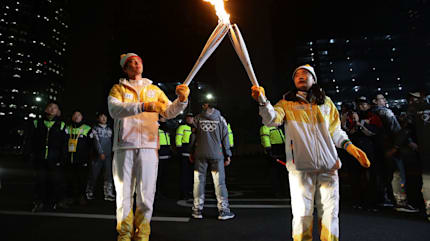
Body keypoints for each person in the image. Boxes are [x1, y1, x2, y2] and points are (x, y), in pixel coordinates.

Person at [252, 64, 370, 241]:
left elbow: (335, 131)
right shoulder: (286, 103)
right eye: (297, 74)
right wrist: (263, 101)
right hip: (301, 168)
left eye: (306, 74)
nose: (301, 76)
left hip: (328, 166)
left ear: (313, 79)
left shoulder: (326, 103)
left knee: (330, 213)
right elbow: (271, 120)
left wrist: (349, 146)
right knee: (301, 213)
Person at [108, 53, 189, 241]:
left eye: (138, 61)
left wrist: (182, 101)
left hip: (148, 145)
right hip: (124, 146)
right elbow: (114, 110)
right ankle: (124, 233)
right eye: (131, 63)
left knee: (146, 193)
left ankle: (142, 233)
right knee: (124, 193)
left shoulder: (154, 90)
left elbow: (169, 111)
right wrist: (142, 106)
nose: (136, 64)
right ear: (125, 69)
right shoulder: (118, 88)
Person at [372, 93, 419, 212]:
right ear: (375, 101)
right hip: (392, 147)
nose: (383, 100)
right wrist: (404, 143)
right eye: (380, 99)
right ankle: (401, 202)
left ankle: (390, 199)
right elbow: (396, 129)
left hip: (382, 148)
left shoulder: (373, 113)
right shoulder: (386, 112)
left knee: (388, 175)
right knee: (398, 174)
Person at [190, 101, 235, 220]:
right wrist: (227, 154)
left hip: (200, 154)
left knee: (199, 182)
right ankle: (223, 211)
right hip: (217, 155)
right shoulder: (221, 119)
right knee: (219, 183)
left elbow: (192, 137)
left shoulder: (197, 118)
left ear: (206, 106)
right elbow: (226, 138)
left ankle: (197, 210)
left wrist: (191, 152)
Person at [25, 102, 67, 212]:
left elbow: (64, 144)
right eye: (50, 107)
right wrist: (29, 155)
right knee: (40, 181)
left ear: (58, 111)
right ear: (46, 110)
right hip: (39, 158)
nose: (52, 109)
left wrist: (62, 158)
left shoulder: (61, 124)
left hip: (55, 159)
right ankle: (38, 202)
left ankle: (54, 202)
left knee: (54, 181)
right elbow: (30, 140)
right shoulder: (36, 123)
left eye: (55, 108)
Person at [64, 110, 92, 206]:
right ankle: (70, 197)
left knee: (82, 179)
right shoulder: (67, 128)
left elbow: (91, 145)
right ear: (72, 117)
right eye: (74, 115)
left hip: (82, 160)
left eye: (79, 115)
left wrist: (88, 158)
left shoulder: (87, 129)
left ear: (82, 117)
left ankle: (81, 197)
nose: (76, 117)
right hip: (69, 159)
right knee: (70, 179)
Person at [86, 111, 115, 201]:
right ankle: (89, 192)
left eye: (105, 117)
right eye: (101, 117)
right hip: (97, 156)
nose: (103, 118)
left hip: (108, 156)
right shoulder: (94, 129)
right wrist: (100, 152)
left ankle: (108, 193)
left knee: (108, 175)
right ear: (98, 118)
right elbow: (96, 141)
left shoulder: (110, 129)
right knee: (94, 175)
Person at [260, 125, 288, 198]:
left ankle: (283, 190)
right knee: (275, 172)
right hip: (273, 151)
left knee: (282, 172)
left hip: (281, 150)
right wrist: (269, 151)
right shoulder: (266, 127)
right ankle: (278, 191)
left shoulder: (277, 127)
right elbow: (265, 139)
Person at [176, 113, 194, 200]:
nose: (190, 119)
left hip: (193, 154)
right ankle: (183, 192)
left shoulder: (195, 128)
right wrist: (180, 150)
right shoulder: (182, 127)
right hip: (185, 153)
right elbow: (178, 140)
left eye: (191, 118)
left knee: (191, 174)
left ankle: (190, 191)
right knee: (184, 174)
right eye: (188, 118)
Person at [156, 116, 172, 199]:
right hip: (159, 154)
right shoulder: (156, 128)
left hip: (166, 154)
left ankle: (162, 192)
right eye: (163, 118)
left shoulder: (166, 129)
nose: (165, 120)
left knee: (164, 175)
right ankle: (157, 192)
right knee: (158, 175)